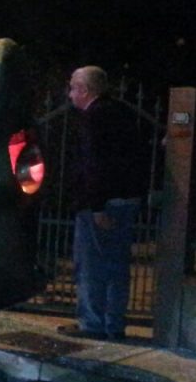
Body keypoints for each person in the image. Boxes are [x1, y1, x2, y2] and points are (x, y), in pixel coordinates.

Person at [59, 65, 145, 342]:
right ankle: (114, 323)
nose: (70, 93)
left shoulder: (92, 118)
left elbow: (93, 165)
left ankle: (92, 325)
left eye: (73, 87)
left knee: (91, 265)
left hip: (101, 203)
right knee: (117, 265)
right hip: (126, 199)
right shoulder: (122, 113)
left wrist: (95, 206)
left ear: (84, 90)